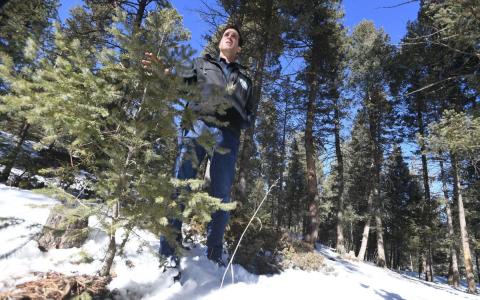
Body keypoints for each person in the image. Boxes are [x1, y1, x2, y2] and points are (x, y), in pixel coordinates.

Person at [143, 24, 253, 273]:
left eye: (235, 36)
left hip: (228, 136)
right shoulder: (202, 64)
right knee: (180, 185)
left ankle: (214, 253)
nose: (230, 36)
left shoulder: (245, 78)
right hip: (197, 126)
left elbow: (250, 110)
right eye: (227, 34)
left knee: (222, 196)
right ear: (220, 42)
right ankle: (169, 251)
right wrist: (162, 71)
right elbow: (178, 80)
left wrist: (241, 122)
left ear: (239, 47)